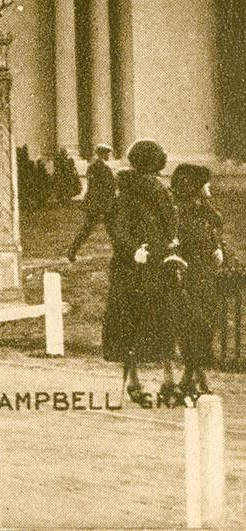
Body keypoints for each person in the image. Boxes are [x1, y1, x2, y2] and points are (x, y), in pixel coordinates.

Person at [102, 139, 180, 407]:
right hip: (134, 269)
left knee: (164, 322)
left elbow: (168, 223)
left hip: (157, 265)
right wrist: (134, 250)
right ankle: (134, 381)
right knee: (134, 324)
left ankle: (169, 380)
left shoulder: (159, 191)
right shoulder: (128, 195)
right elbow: (119, 229)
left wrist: (171, 241)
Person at [172, 163, 226, 399]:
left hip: (205, 275)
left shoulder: (203, 208)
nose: (209, 187)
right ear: (195, 186)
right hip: (192, 276)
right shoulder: (184, 212)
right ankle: (189, 378)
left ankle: (194, 376)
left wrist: (218, 248)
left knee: (203, 326)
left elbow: (214, 231)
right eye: (205, 183)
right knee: (197, 325)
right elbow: (192, 242)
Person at [66, 145, 118, 262]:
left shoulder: (94, 165)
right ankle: (72, 251)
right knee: (110, 229)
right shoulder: (100, 166)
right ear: (101, 154)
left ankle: (72, 251)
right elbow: (103, 186)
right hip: (101, 203)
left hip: (97, 202)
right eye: (106, 153)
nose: (108, 156)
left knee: (96, 229)